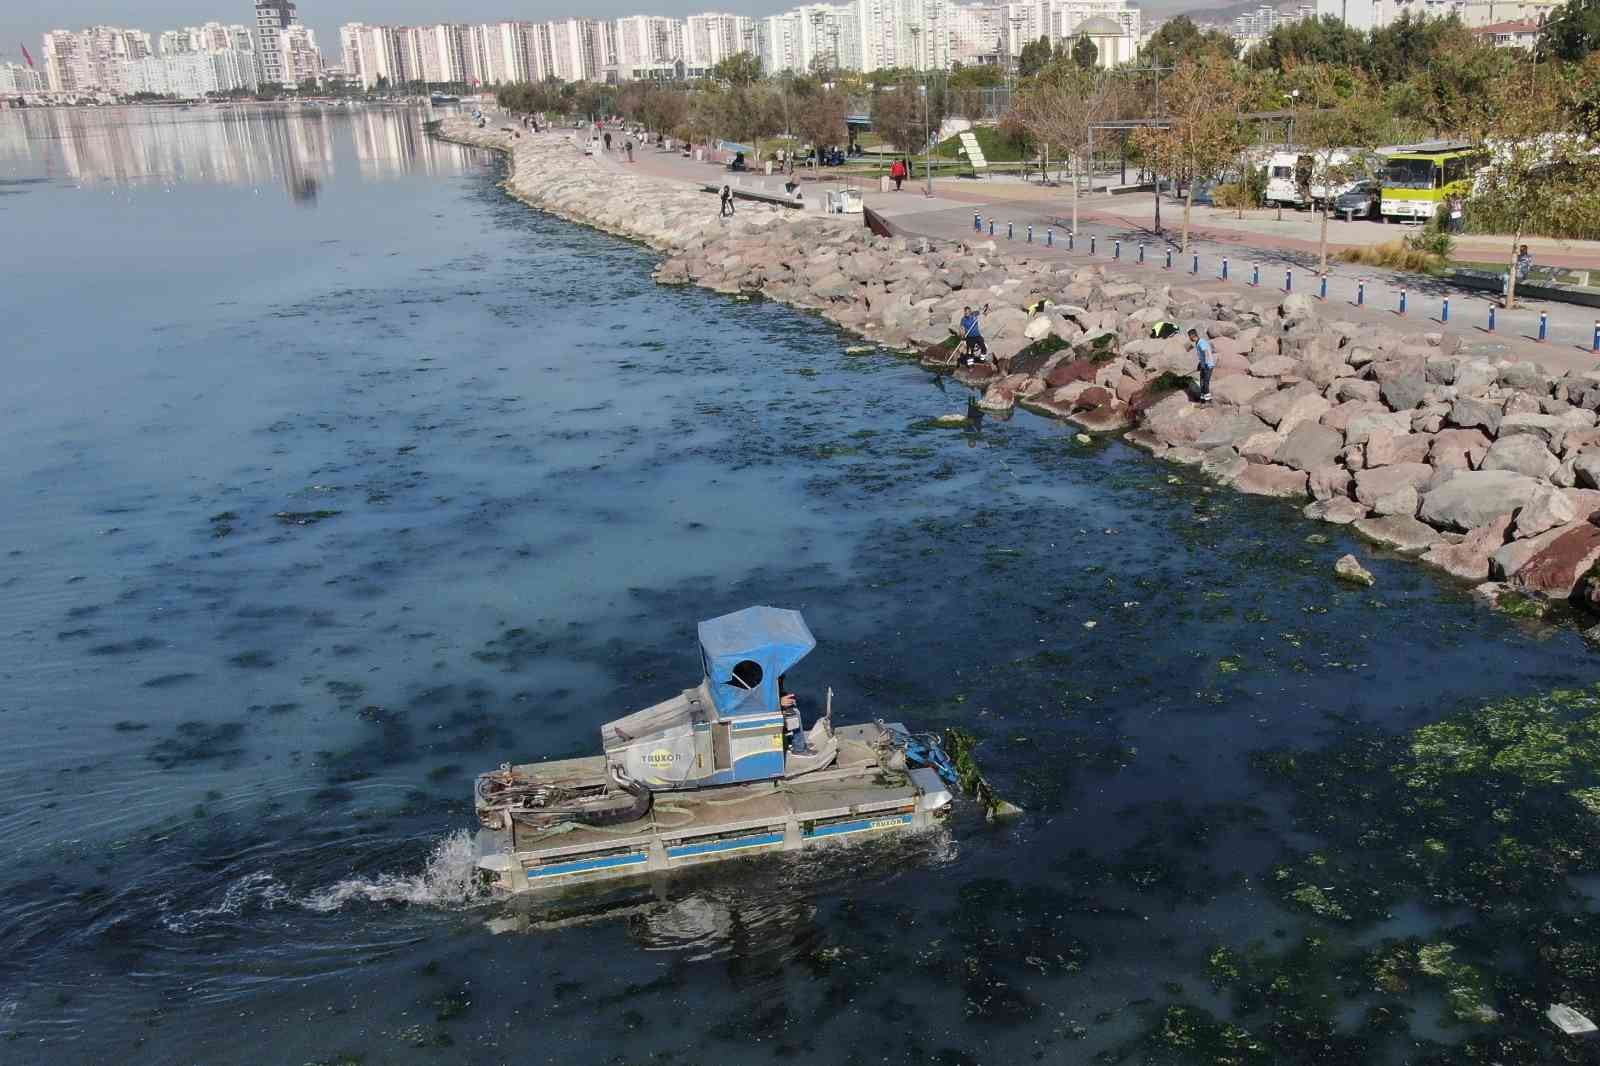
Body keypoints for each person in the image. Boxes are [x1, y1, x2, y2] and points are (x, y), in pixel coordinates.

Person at [1188, 328, 1214, 403]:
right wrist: (1200, 364)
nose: (1189, 338)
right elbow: (1202, 355)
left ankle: (1209, 401)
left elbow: (1206, 352)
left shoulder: (1201, 342)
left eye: (1189, 336)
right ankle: (1202, 400)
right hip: (1204, 365)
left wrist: (1205, 364)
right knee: (1202, 383)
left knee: (1205, 383)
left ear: (1192, 336)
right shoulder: (1198, 342)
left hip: (1208, 366)